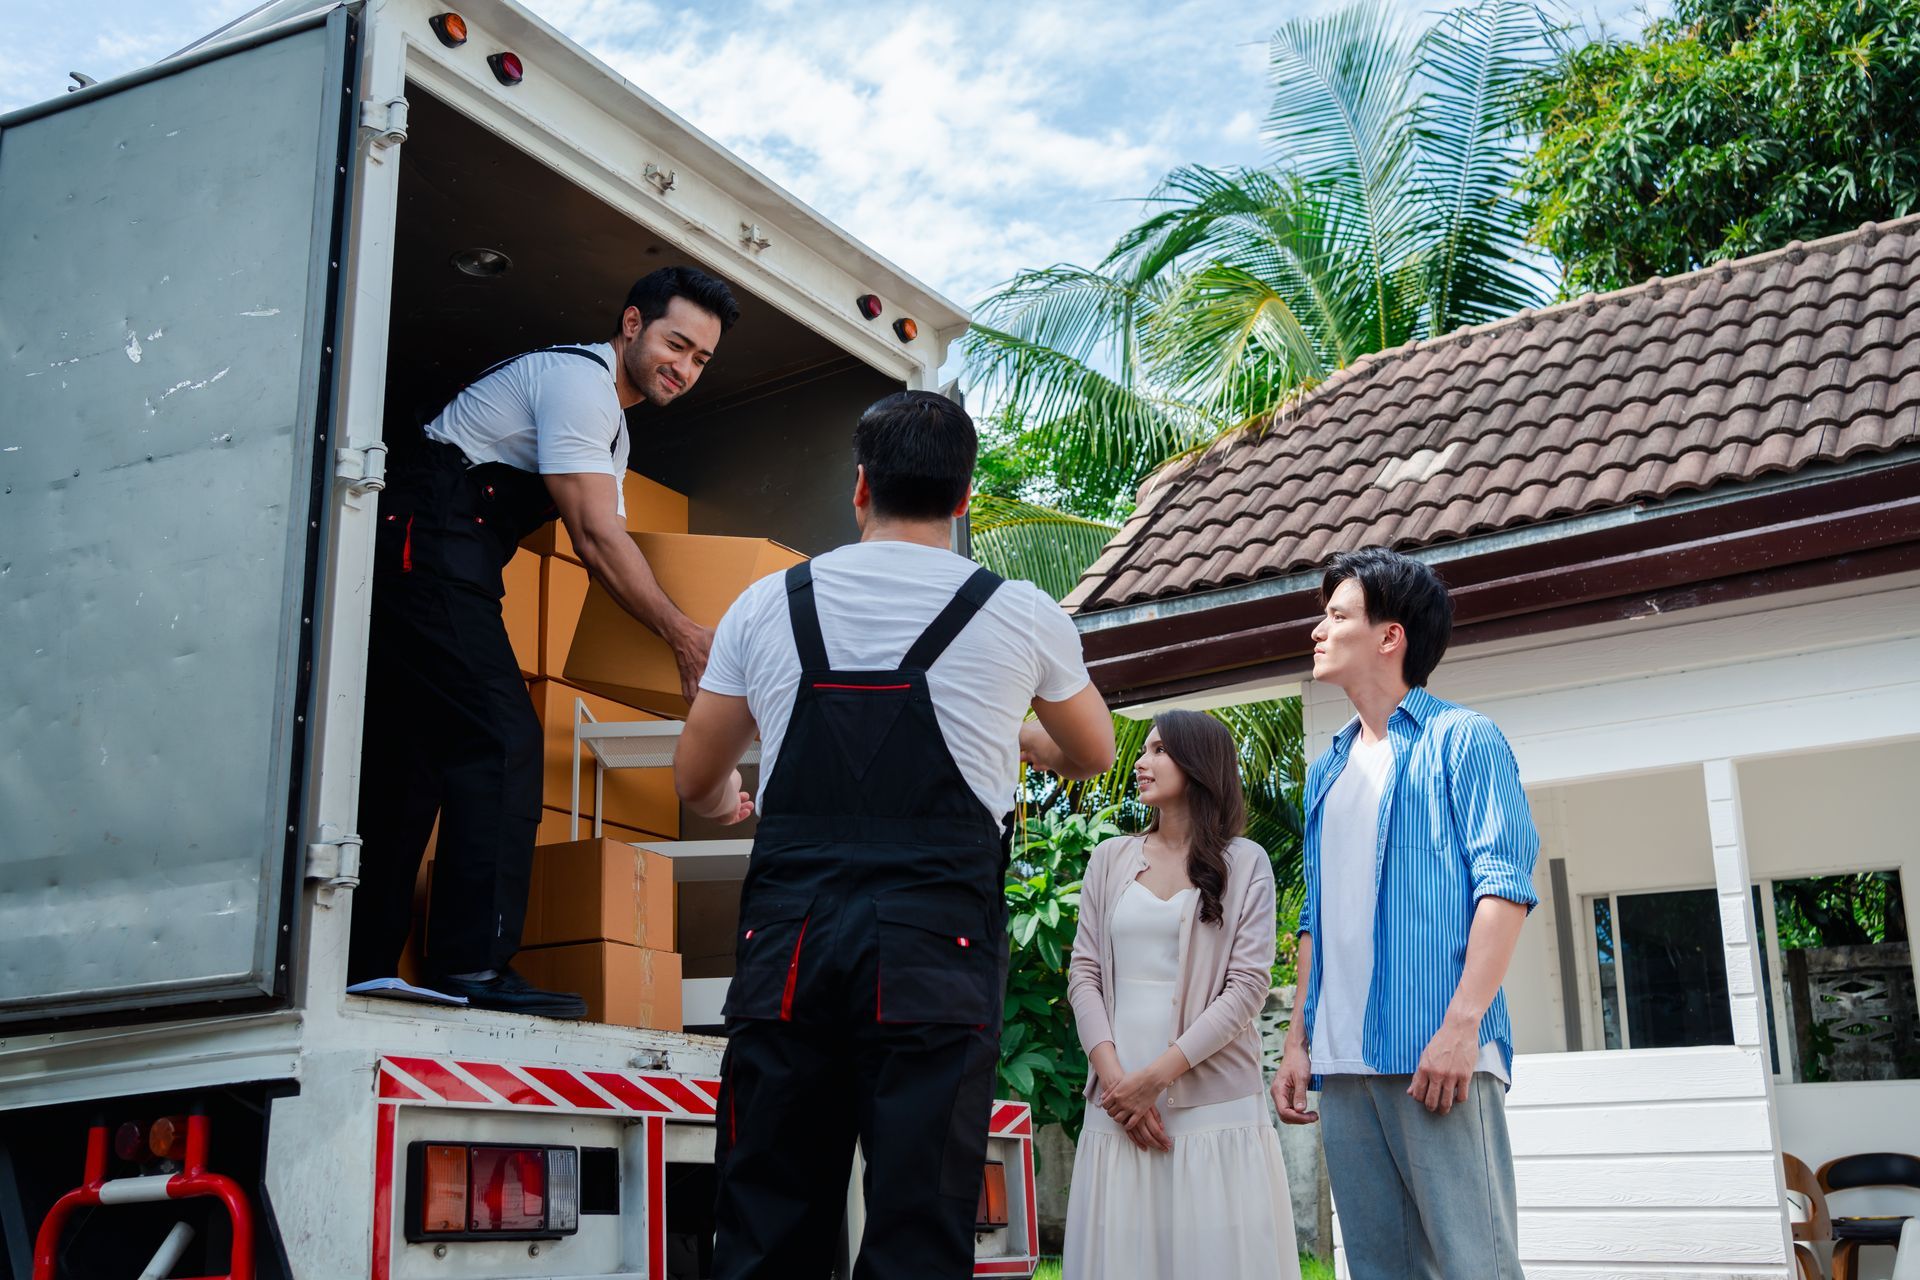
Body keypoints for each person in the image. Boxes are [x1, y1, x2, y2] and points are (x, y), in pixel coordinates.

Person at [672, 389, 1116, 1279]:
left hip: (790, 946)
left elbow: (694, 775)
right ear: (963, 499)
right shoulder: (1017, 610)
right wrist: (1013, 735)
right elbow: (1093, 751)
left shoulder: (767, 604)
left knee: (766, 1212)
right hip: (933, 952)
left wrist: (726, 796)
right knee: (920, 1217)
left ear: (860, 486)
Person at [348, 265, 741, 1016]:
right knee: (502, 740)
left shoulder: (610, 427)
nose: (684, 369)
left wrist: (685, 645)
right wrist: (687, 639)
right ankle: (470, 965)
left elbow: (608, 548)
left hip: (444, 559)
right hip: (424, 549)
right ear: (632, 325)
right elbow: (595, 538)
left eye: (700, 359)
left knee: (417, 757)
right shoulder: (576, 384)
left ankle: (363, 962)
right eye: (675, 344)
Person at [1271, 547, 1539, 1279]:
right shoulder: (1326, 769)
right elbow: (1316, 922)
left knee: (1472, 1265)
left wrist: (1461, 1028)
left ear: (1390, 637)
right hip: (1344, 1063)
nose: (1318, 630)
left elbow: (1505, 887)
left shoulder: (1464, 740)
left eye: (1337, 616)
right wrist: (1298, 1042)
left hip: (1437, 1056)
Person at [1063, 711, 1298, 1280]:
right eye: (1142, 751)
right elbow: (1084, 972)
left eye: (1158, 751)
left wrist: (1156, 1078)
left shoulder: (1247, 864)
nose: (1139, 763)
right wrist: (1121, 1084)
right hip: (1117, 1101)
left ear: (1198, 765)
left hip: (1212, 1104)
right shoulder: (1109, 858)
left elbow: (1246, 988)